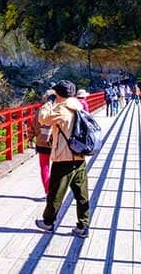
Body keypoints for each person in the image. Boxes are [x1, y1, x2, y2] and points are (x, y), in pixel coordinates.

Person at [34, 80, 90, 238]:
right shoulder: (78, 106)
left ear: (58, 94)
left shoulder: (62, 109)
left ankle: (48, 222)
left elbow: (43, 119)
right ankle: (83, 225)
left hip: (63, 157)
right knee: (81, 193)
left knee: (55, 193)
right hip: (79, 155)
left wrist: (49, 102)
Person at [30, 88, 56, 194]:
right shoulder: (59, 109)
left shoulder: (41, 110)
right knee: (57, 168)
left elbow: (34, 126)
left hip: (42, 142)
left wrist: (31, 138)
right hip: (56, 142)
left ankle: (47, 190)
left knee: (44, 167)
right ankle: (55, 191)